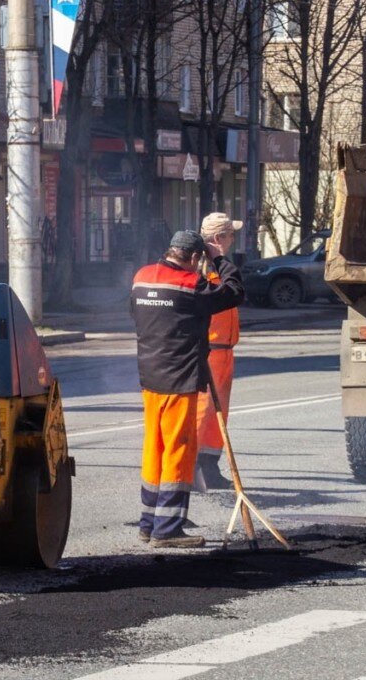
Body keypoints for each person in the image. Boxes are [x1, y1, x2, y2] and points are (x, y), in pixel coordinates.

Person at [130, 230, 244, 548]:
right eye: (200, 260)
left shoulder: (141, 277)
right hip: (179, 379)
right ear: (194, 258)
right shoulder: (191, 284)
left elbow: (142, 317)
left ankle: (148, 522)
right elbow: (233, 292)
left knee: (155, 448)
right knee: (179, 450)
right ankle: (167, 530)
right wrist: (219, 257)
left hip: (150, 378)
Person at [195, 212, 244, 490]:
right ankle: (189, 470)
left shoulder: (219, 265)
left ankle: (209, 466)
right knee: (202, 411)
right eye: (230, 235)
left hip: (225, 350)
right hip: (210, 349)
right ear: (217, 238)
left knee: (219, 413)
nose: (233, 239)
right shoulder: (202, 266)